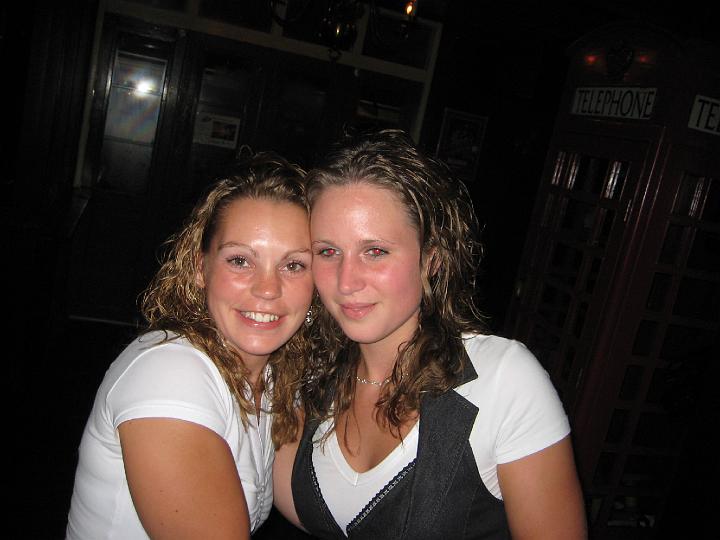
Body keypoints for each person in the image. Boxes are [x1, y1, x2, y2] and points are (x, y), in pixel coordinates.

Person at [273, 130, 587, 539]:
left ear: (431, 260)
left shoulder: (502, 381)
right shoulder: (308, 376)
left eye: (375, 251)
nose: (346, 281)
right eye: (328, 251)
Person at [67, 154, 316, 539]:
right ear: (201, 269)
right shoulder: (170, 374)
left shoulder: (272, 376)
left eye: (294, 265)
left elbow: (310, 504)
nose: (267, 289)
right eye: (240, 260)